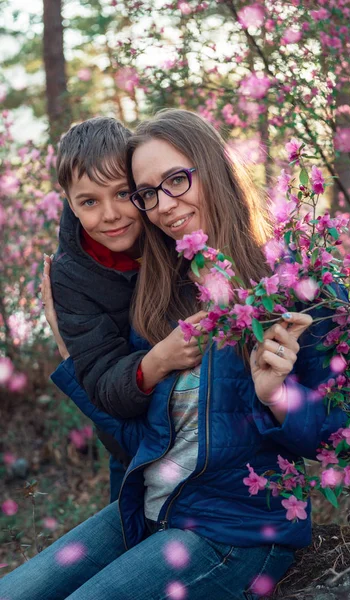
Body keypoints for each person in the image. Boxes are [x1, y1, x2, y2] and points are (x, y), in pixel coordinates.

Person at [1, 109, 350, 599]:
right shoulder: (163, 293)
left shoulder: (293, 279)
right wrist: (70, 359)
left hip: (234, 531)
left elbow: (339, 437)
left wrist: (278, 396)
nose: (163, 205)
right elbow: (135, 440)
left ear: (213, 168)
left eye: (177, 180)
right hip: (147, 508)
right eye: (148, 192)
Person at [47, 117, 205, 500]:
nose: (111, 215)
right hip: (130, 447)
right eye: (89, 202)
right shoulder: (71, 277)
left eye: (122, 194)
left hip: (196, 437)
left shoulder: (169, 235)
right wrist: (159, 359)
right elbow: (101, 382)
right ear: (69, 202)